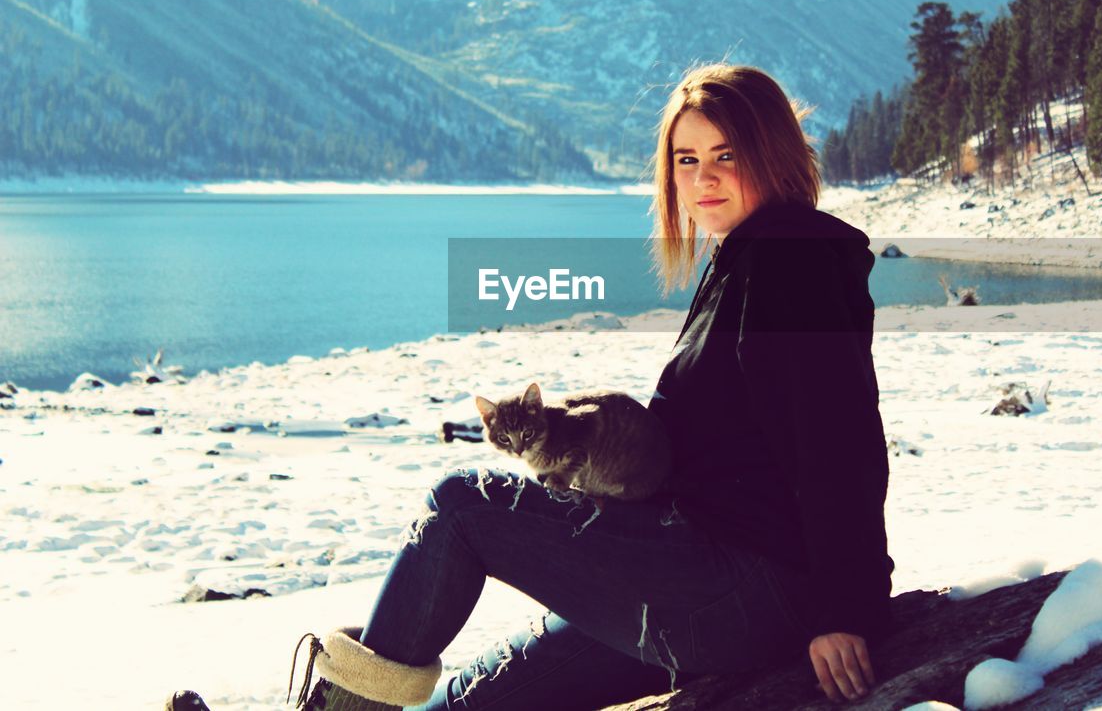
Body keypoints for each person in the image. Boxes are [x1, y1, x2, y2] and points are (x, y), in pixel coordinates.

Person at [168, 63, 892, 711]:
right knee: (471, 699)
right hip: (698, 580)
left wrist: (844, 609)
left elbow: (842, 447)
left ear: (770, 151)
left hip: (742, 590)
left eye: (725, 156)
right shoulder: (748, 256)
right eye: (686, 159)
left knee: (460, 508)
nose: (702, 178)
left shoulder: (790, 258)